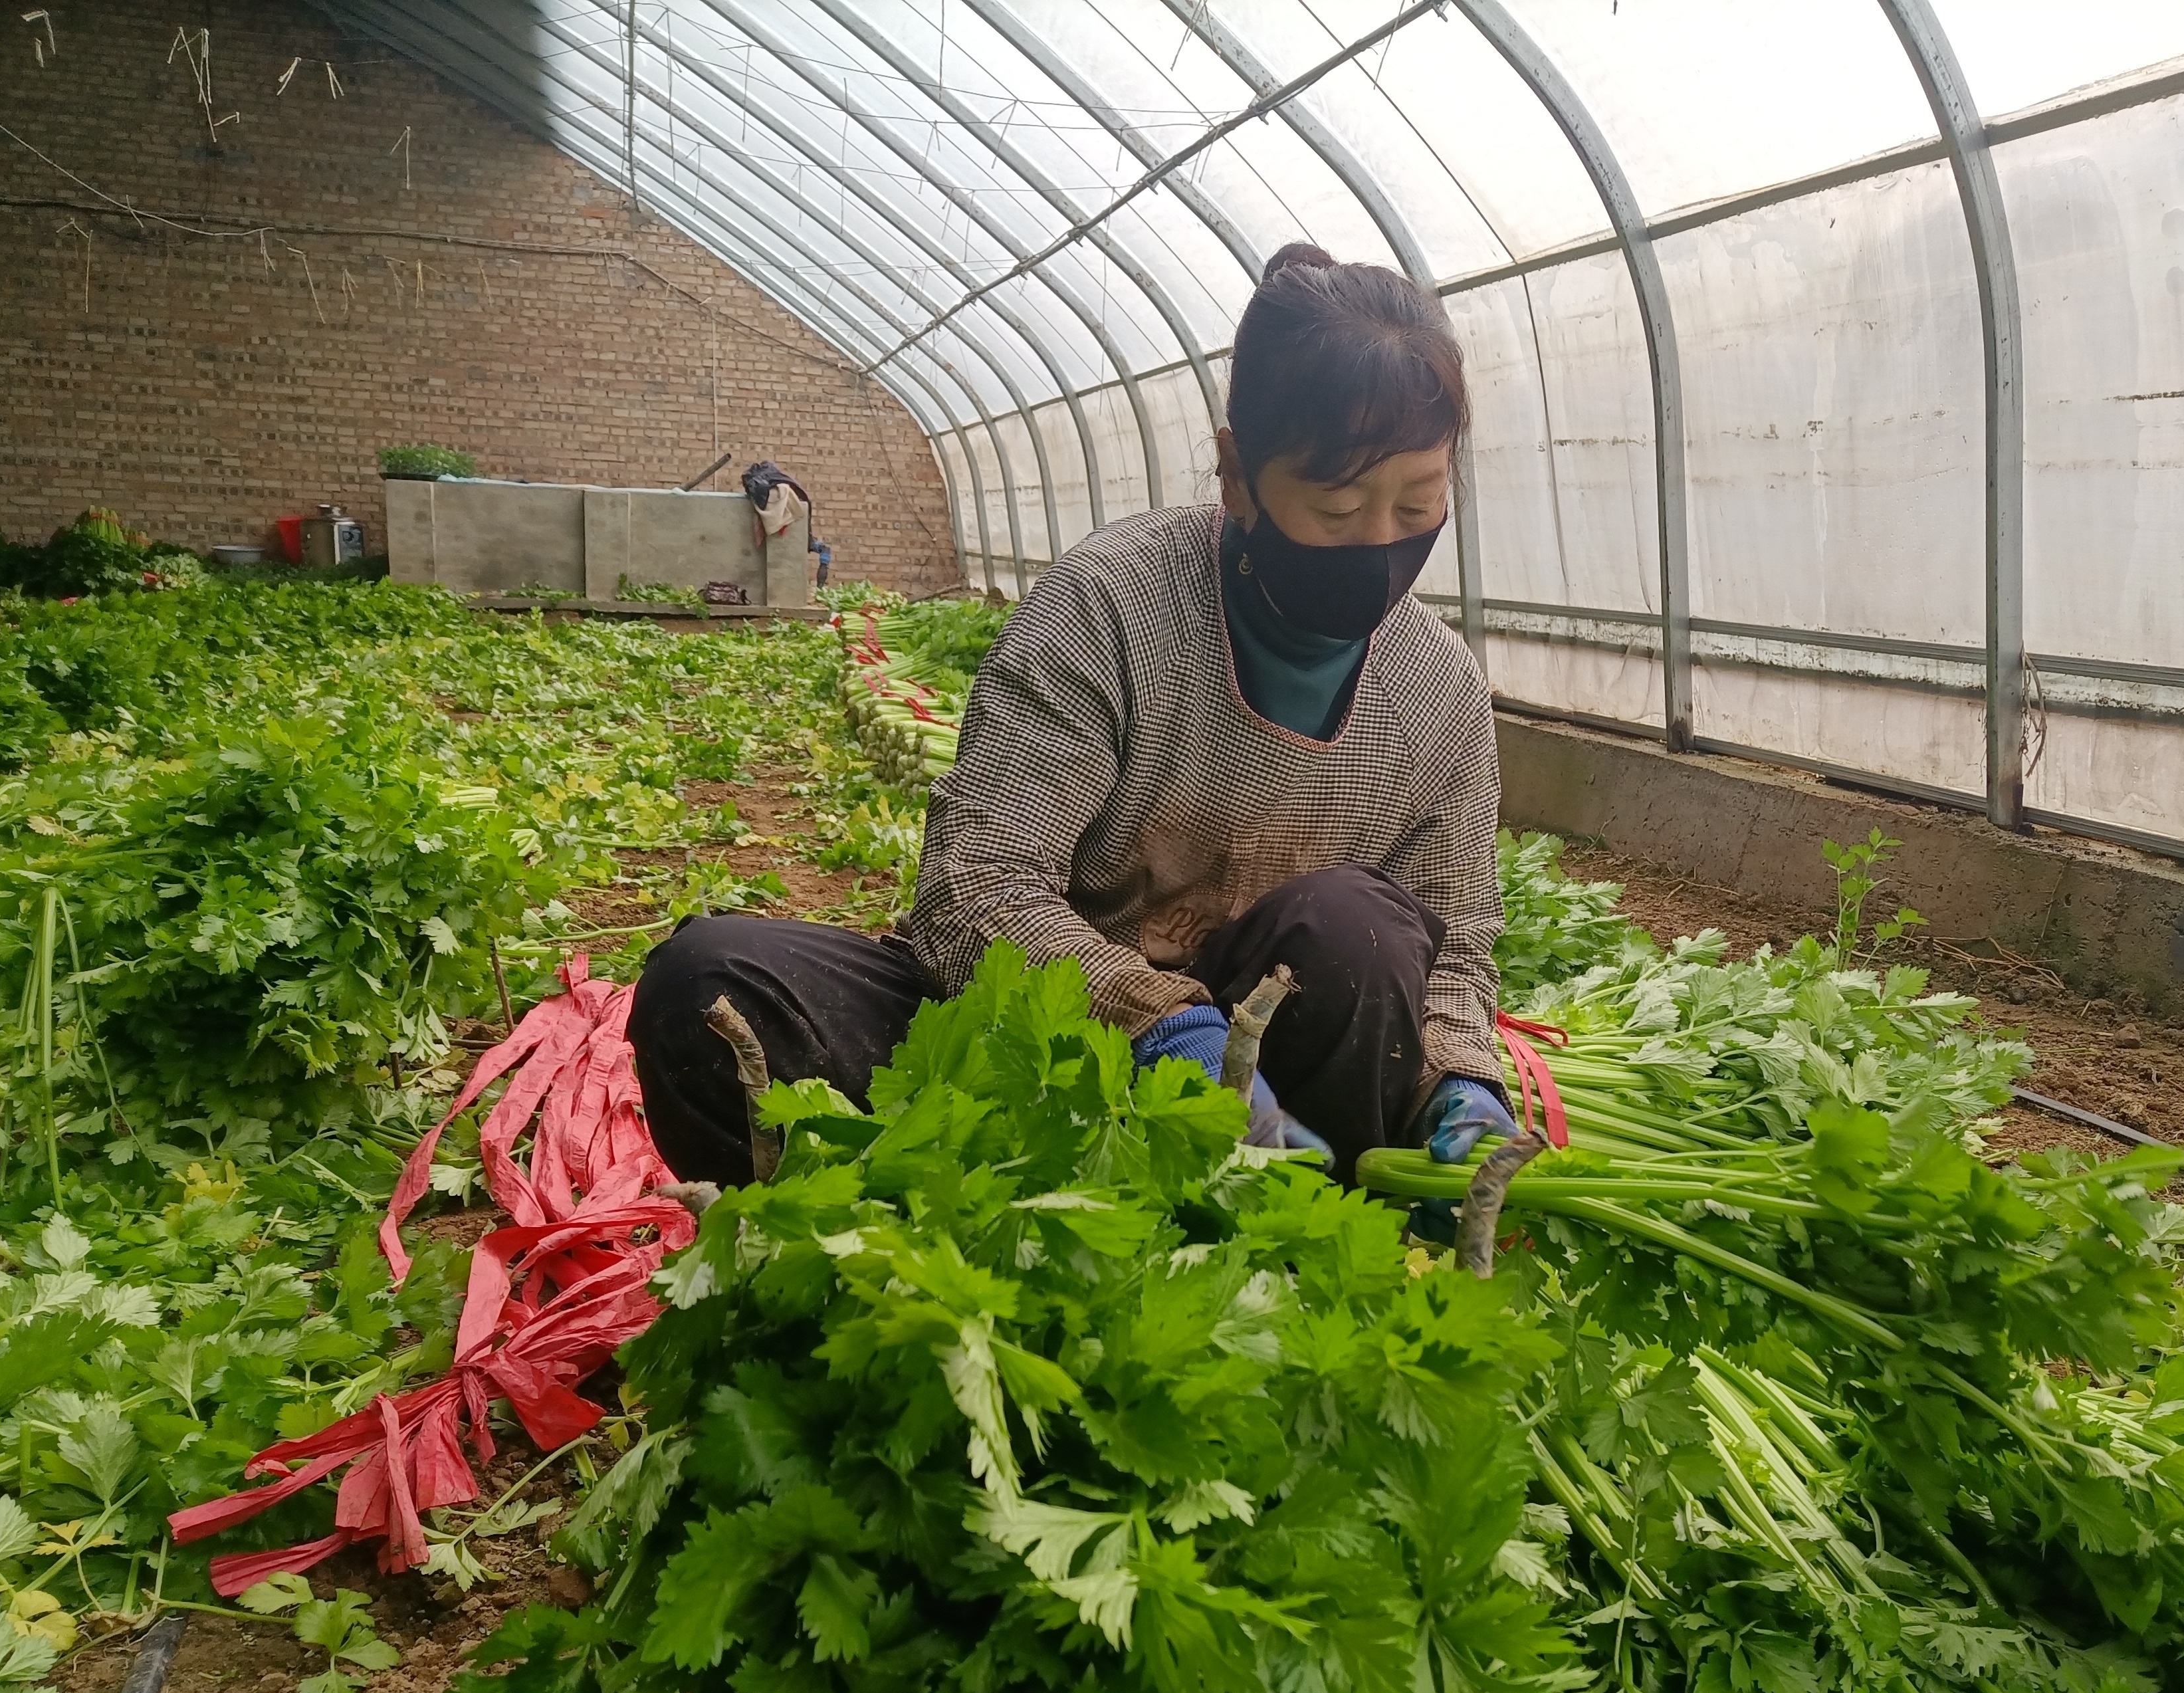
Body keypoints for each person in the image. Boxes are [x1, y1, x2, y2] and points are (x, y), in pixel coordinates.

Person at [627, 242, 1519, 1188]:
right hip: (1038, 1034)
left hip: (1286, 1069)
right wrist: (1159, 1027)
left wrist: (1459, 1081)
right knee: (709, 984)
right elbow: (977, 885)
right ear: (1237, 475)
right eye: (1338, 510)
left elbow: (1455, 945)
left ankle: (1295, 1220)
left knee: (1358, 929)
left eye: (1418, 505)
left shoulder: (1436, 689)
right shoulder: (1113, 605)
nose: (1378, 544)